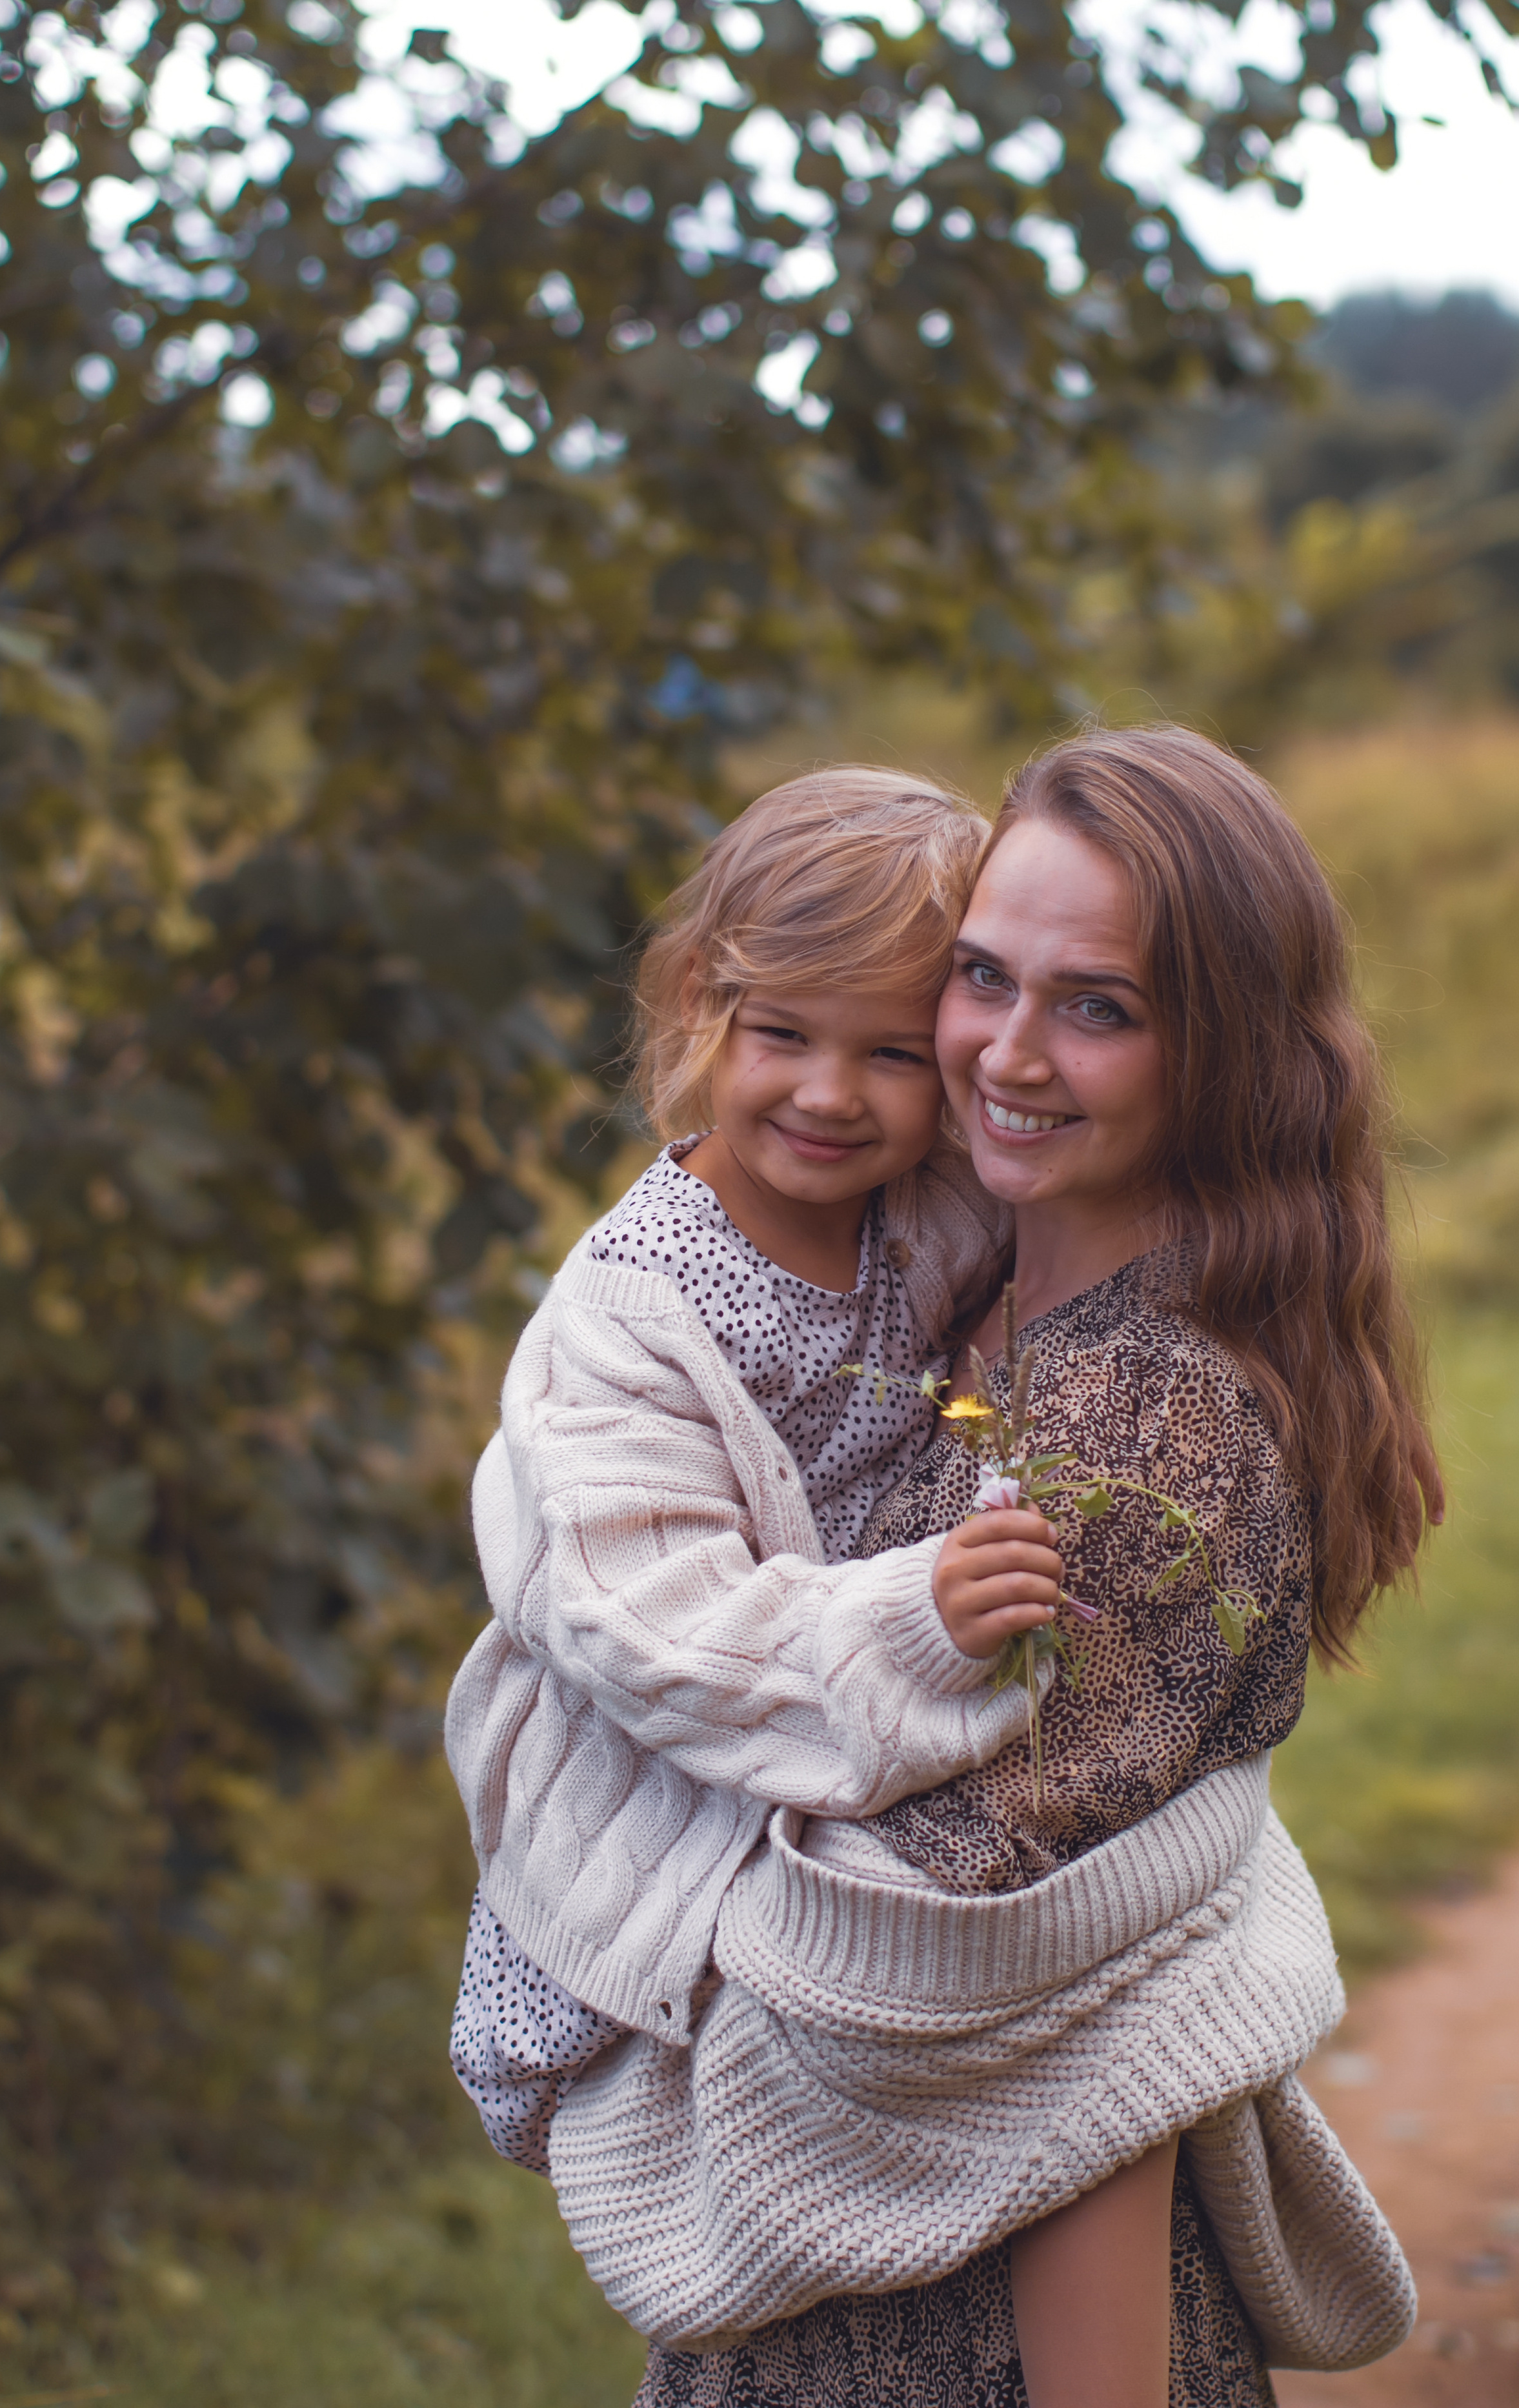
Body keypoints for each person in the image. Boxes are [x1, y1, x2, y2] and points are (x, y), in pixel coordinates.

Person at [601, 726, 1440, 2408]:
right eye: (983, 979)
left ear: (1227, 1054)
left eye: (1100, 1008)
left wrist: (641, 1856)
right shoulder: (953, 1281)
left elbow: (997, 1976)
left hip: (984, 2344)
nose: (1008, 1053)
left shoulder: (1151, 1423)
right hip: (841, 2279)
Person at [443, 765, 1069, 2176]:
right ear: (695, 1009)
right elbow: (652, 1630)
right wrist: (912, 1616)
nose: (829, 1095)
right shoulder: (630, 1313)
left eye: (894, 1053)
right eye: (780, 1032)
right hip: (658, 1818)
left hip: (846, 1769)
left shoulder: (928, 1209)